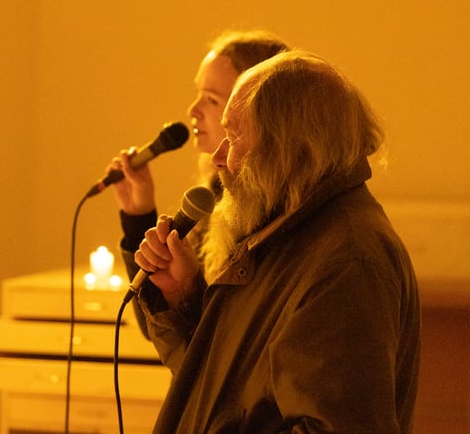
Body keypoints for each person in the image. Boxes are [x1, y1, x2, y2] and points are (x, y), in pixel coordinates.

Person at [134, 50, 421, 433]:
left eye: (233, 136)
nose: (218, 158)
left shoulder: (347, 260)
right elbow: (220, 394)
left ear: (289, 147)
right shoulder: (282, 233)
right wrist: (183, 296)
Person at [106, 30, 289, 335]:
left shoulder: (263, 212)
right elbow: (164, 331)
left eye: (212, 100)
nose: (192, 111)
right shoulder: (215, 194)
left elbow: (219, 341)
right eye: (198, 94)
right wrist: (139, 214)